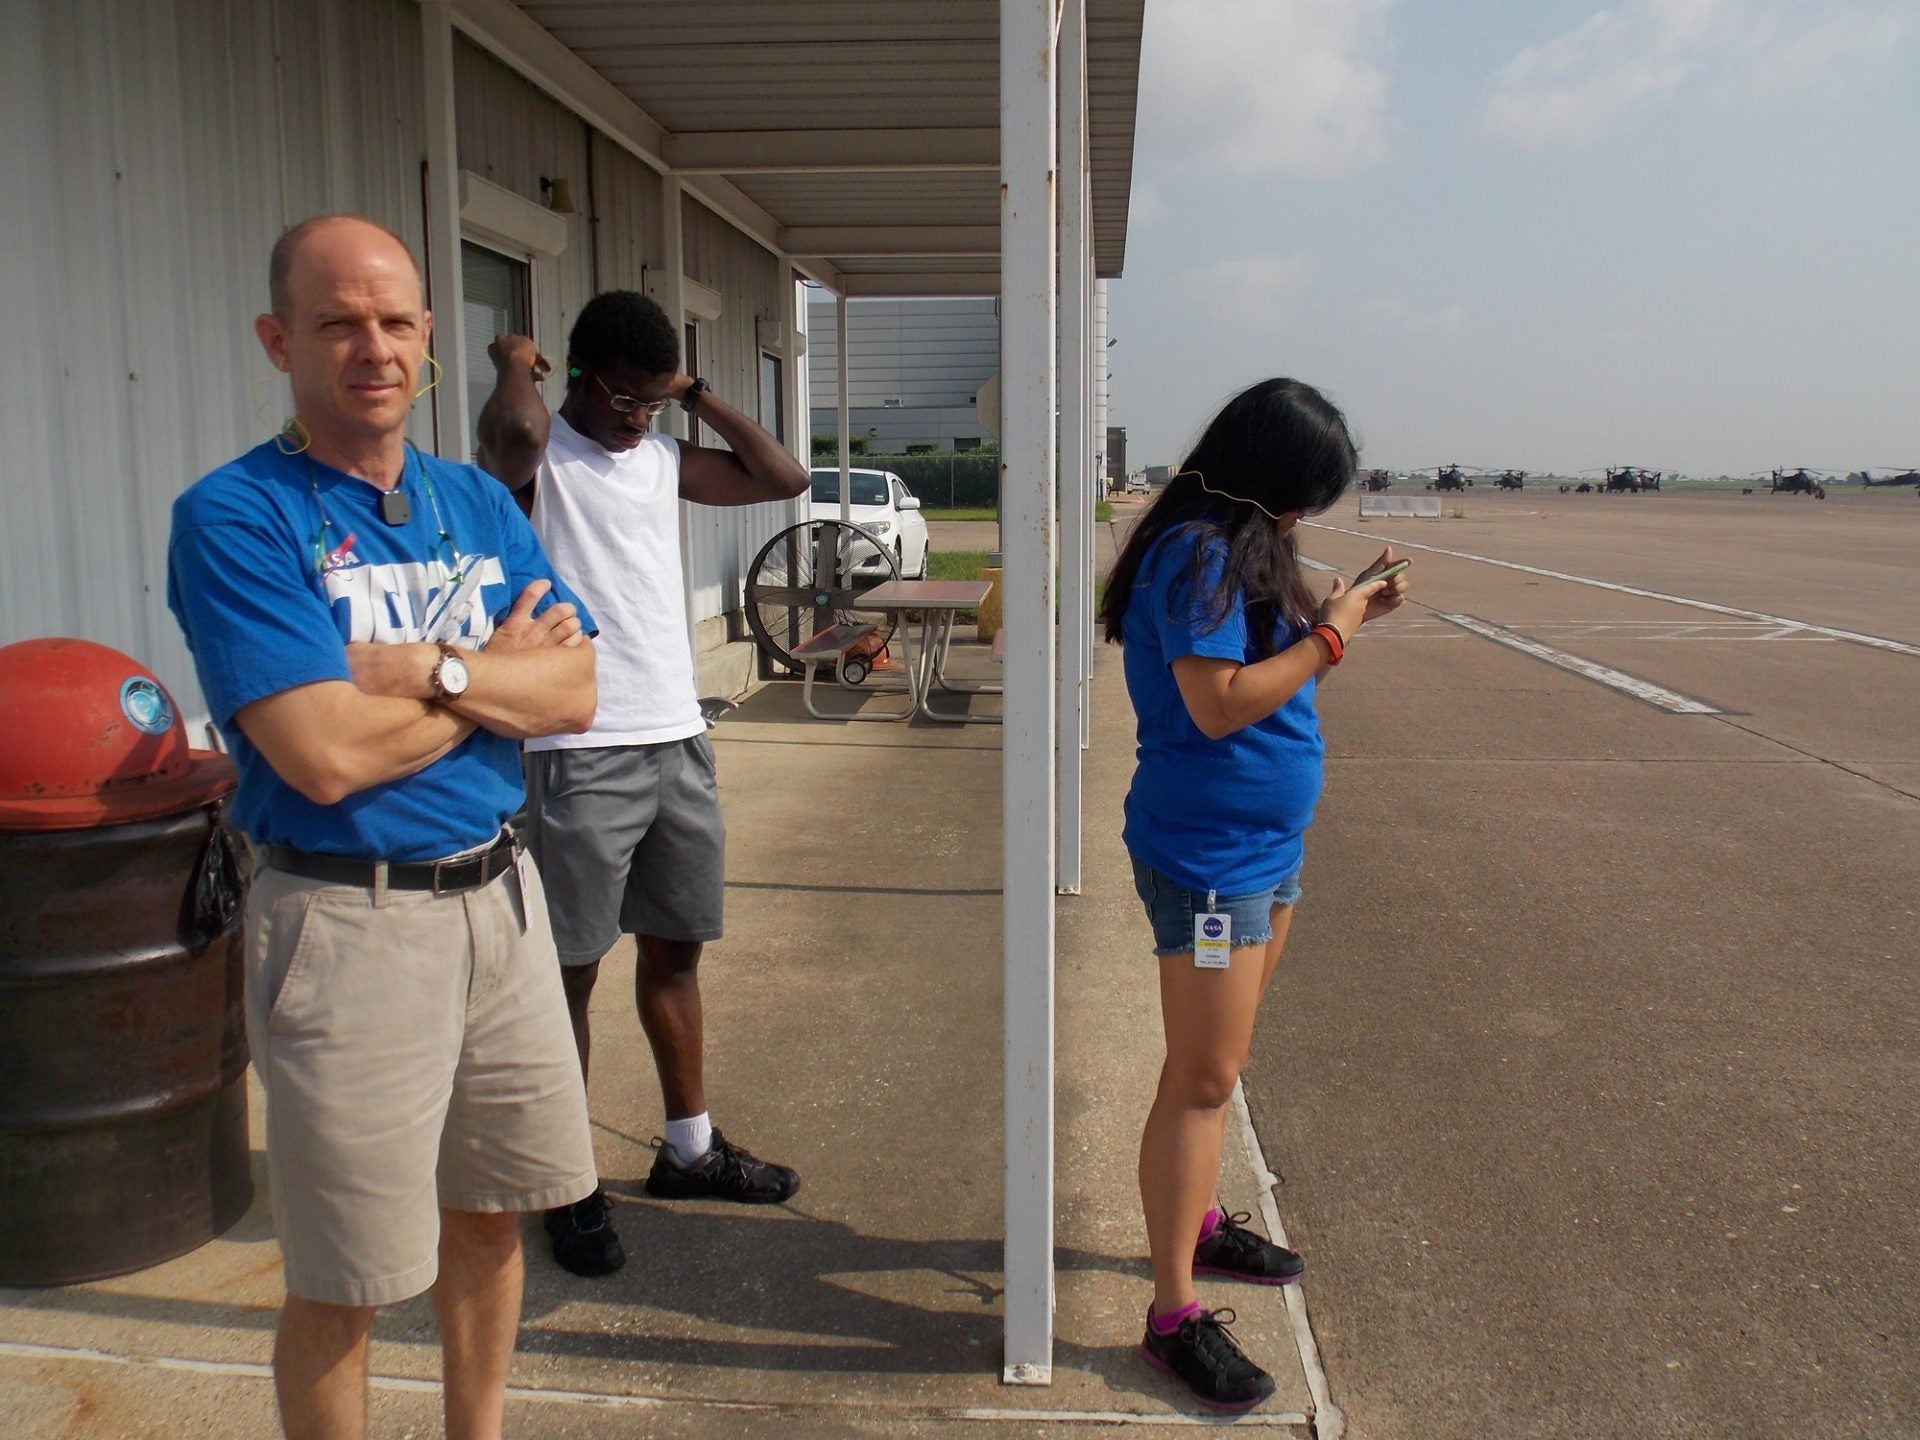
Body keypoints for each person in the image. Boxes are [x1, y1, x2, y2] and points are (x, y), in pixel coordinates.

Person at [167, 214, 601, 1440]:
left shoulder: (477, 500)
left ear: (427, 336)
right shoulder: (237, 515)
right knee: (346, 1278)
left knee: (492, 1217)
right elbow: (319, 757)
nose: (375, 349)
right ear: (278, 341)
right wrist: (490, 674)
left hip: (502, 905)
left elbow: (575, 691)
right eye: (338, 323)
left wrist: (419, 670)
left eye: (397, 321)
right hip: (346, 920)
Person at [475, 291, 812, 1278]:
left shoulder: (662, 456)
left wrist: (688, 395)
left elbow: (782, 477)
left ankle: (689, 1150)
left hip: (676, 738)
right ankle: (563, 1178)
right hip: (577, 750)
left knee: (675, 954)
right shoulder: (543, 462)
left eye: (650, 403)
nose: (636, 420)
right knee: (566, 974)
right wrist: (513, 358)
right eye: (623, 399)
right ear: (578, 376)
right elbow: (509, 433)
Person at [1096, 379, 1411, 1413]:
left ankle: (1193, 1225)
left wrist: (1336, 620)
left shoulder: (1244, 549)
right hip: (1212, 861)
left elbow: (1268, 685)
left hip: (1265, 849)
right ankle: (1172, 1316)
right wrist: (1334, 634)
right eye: (1302, 494)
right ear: (1269, 475)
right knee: (1202, 1078)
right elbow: (1219, 705)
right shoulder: (1198, 554)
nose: (1303, 514)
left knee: (1211, 1070)